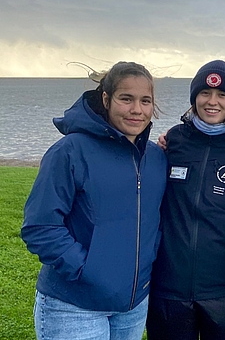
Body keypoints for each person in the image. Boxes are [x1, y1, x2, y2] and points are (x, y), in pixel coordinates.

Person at [21, 61, 167, 340]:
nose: (137, 109)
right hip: (73, 306)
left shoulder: (157, 157)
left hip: (132, 307)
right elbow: (40, 227)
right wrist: (89, 270)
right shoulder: (69, 151)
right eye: (126, 99)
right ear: (106, 99)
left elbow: (155, 221)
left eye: (145, 101)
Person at [146, 60, 225, 340]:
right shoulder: (175, 140)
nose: (212, 102)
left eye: (222, 95)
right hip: (169, 285)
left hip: (224, 288)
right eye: (205, 93)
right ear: (194, 98)